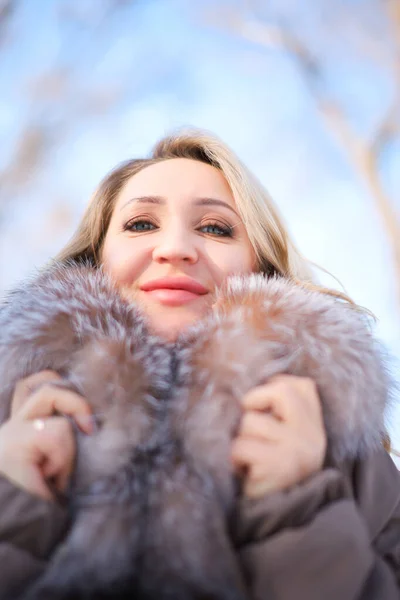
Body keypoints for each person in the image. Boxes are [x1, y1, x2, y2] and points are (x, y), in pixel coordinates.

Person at [0, 129, 399, 600]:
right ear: (96, 257)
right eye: (141, 224)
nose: (175, 249)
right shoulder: (17, 410)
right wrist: (14, 507)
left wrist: (298, 508)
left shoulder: (340, 436)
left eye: (215, 228)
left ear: (260, 265)